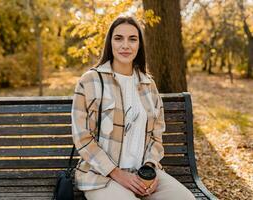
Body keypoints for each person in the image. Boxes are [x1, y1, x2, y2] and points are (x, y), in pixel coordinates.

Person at [71, 15, 195, 200]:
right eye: (118, 38)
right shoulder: (90, 81)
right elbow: (82, 137)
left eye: (132, 39)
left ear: (139, 45)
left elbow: (156, 136)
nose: (125, 45)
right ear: (110, 43)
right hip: (101, 175)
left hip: (142, 174)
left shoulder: (148, 85)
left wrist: (150, 170)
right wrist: (117, 173)